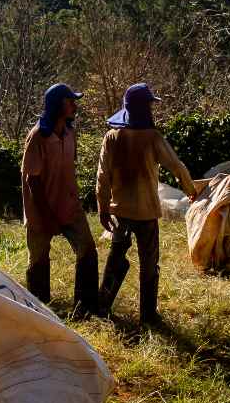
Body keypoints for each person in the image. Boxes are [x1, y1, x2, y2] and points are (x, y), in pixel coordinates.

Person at [95, 84, 200, 324]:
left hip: (120, 211)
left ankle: (103, 307)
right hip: (146, 213)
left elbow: (102, 177)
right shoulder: (152, 138)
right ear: (145, 108)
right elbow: (176, 166)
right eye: (150, 104)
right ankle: (148, 315)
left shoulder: (112, 137)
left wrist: (102, 208)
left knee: (115, 259)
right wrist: (191, 190)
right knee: (149, 265)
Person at [21, 82, 99, 314]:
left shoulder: (69, 132)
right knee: (38, 260)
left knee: (87, 250)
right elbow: (32, 180)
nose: (75, 105)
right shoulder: (37, 137)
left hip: (69, 206)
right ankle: (40, 308)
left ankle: (86, 306)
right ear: (57, 105)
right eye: (70, 101)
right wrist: (47, 216)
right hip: (40, 209)